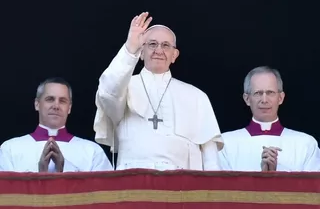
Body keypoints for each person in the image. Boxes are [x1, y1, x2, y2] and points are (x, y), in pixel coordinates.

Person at [93, 12, 223, 171]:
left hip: (182, 186)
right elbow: (107, 93)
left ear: (174, 55)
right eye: (152, 44)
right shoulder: (124, 87)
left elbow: (211, 161)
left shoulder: (197, 96)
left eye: (166, 45)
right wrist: (130, 47)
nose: (158, 50)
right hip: (132, 181)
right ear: (141, 52)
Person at [0, 77, 113, 172]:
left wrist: (64, 169)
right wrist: (40, 175)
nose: (56, 106)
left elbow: (105, 194)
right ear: (37, 104)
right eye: (50, 99)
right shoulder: (9, 149)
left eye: (62, 101)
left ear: (69, 108)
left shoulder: (92, 151)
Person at [219, 66, 320, 172]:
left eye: (270, 93)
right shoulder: (225, 143)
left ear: (280, 98)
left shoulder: (305, 144)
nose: (264, 100)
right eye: (258, 93)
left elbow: (313, 186)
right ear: (247, 99)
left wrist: (275, 176)